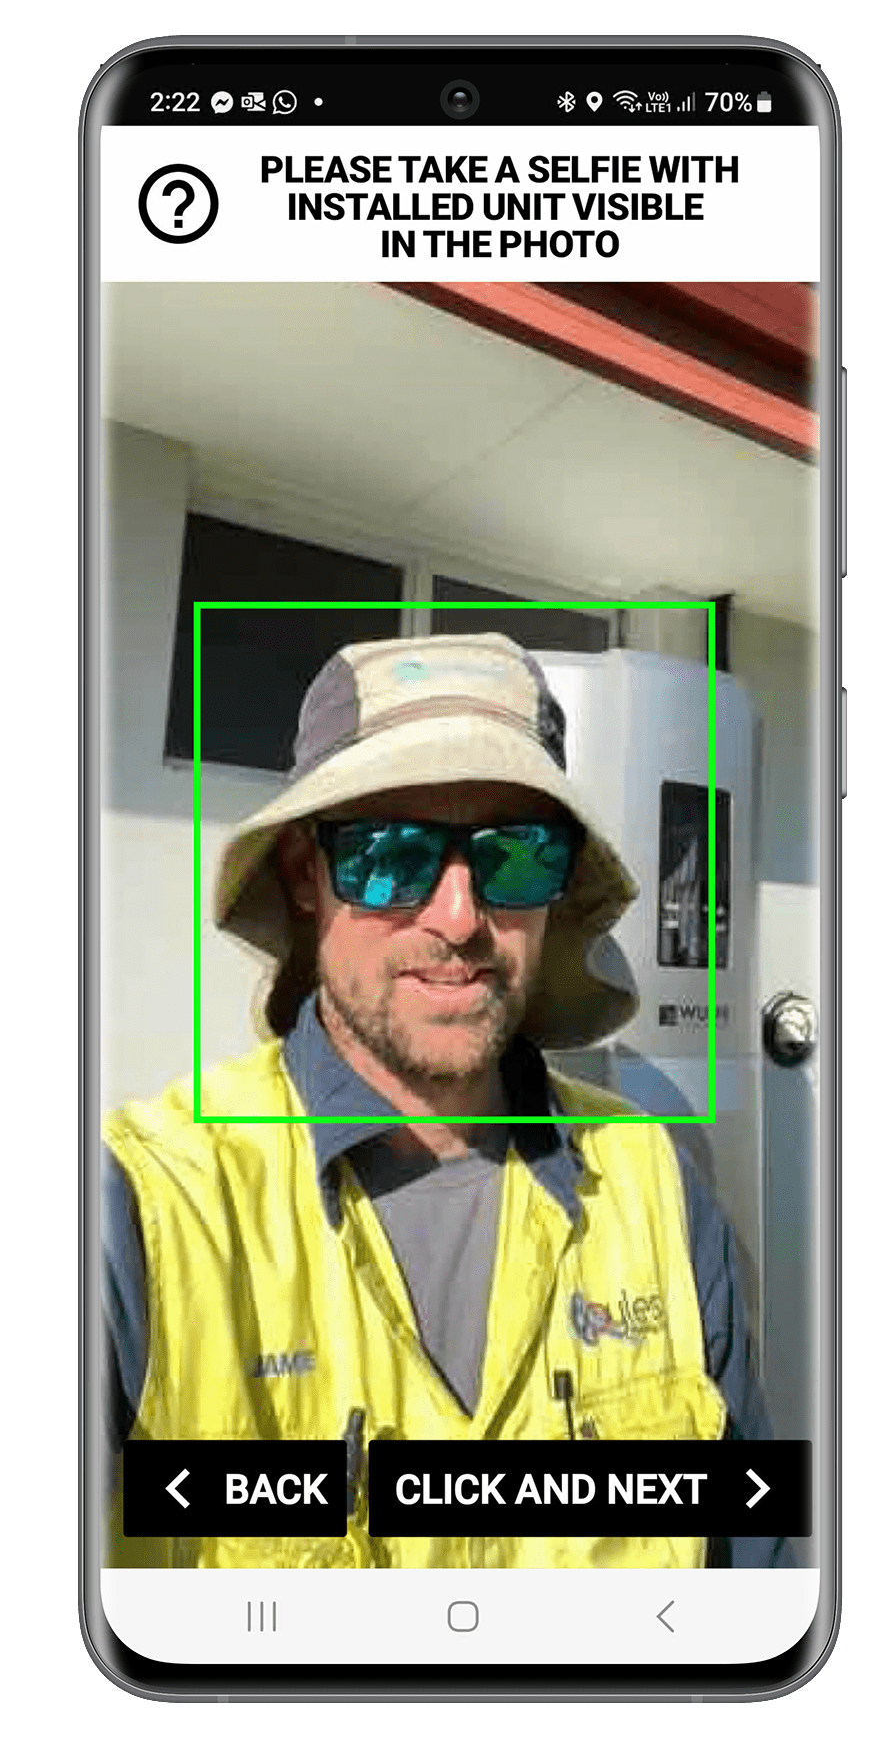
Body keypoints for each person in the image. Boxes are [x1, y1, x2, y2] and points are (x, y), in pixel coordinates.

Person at [102, 630, 793, 1569]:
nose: (460, 918)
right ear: (307, 878)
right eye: (391, 855)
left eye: (512, 857)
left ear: (555, 892)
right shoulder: (142, 1212)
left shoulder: (656, 1186)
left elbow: (755, 1583)